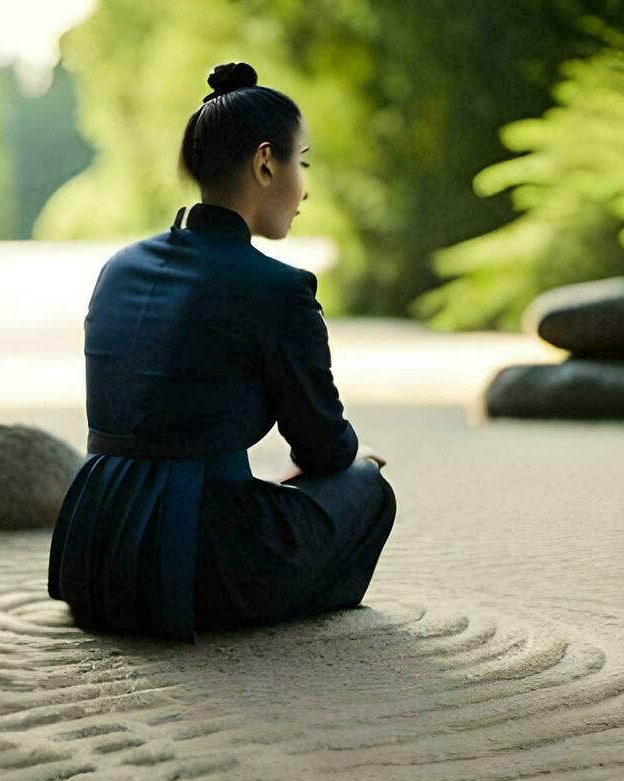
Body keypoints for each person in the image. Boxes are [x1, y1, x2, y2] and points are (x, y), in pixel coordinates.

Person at [48, 61, 397, 643]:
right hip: (192, 562)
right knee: (367, 487)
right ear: (266, 162)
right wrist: (351, 466)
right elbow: (324, 445)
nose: (304, 187)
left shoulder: (120, 267)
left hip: (97, 549)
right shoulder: (279, 289)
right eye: (301, 162)